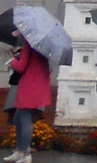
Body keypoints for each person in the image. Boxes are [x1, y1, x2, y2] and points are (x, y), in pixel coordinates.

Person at [4, 32, 49, 163]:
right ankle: (19, 150)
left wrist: (11, 59)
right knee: (19, 117)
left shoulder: (28, 48)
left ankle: (25, 153)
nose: (19, 37)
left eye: (20, 35)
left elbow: (21, 67)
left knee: (24, 119)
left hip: (28, 87)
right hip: (36, 86)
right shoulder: (41, 49)